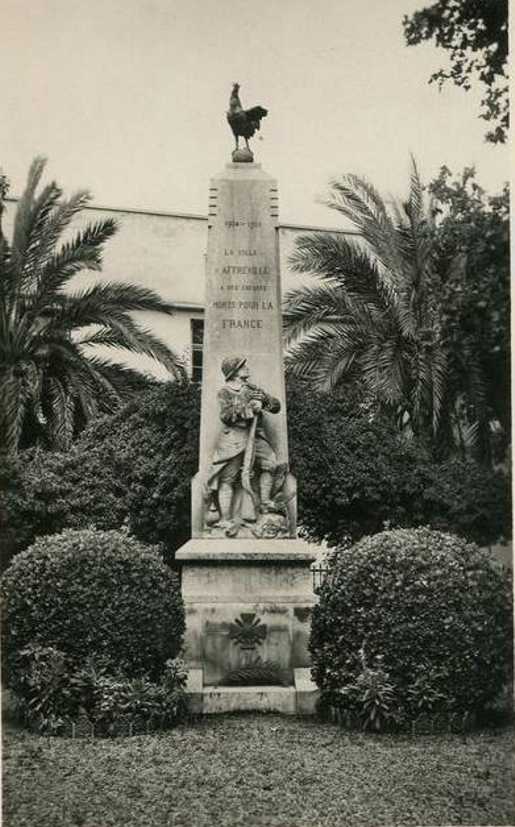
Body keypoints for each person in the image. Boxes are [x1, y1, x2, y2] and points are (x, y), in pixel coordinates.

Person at [206, 356, 280, 529]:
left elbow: (276, 406)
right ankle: (225, 518)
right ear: (234, 372)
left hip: (256, 436)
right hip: (234, 438)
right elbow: (226, 415)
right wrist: (247, 408)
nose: (246, 368)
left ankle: (265, 502)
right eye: (242, 366)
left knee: (271, 463)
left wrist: (264, 401)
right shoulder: (224, 392)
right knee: (228, 478)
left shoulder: (253, 388)